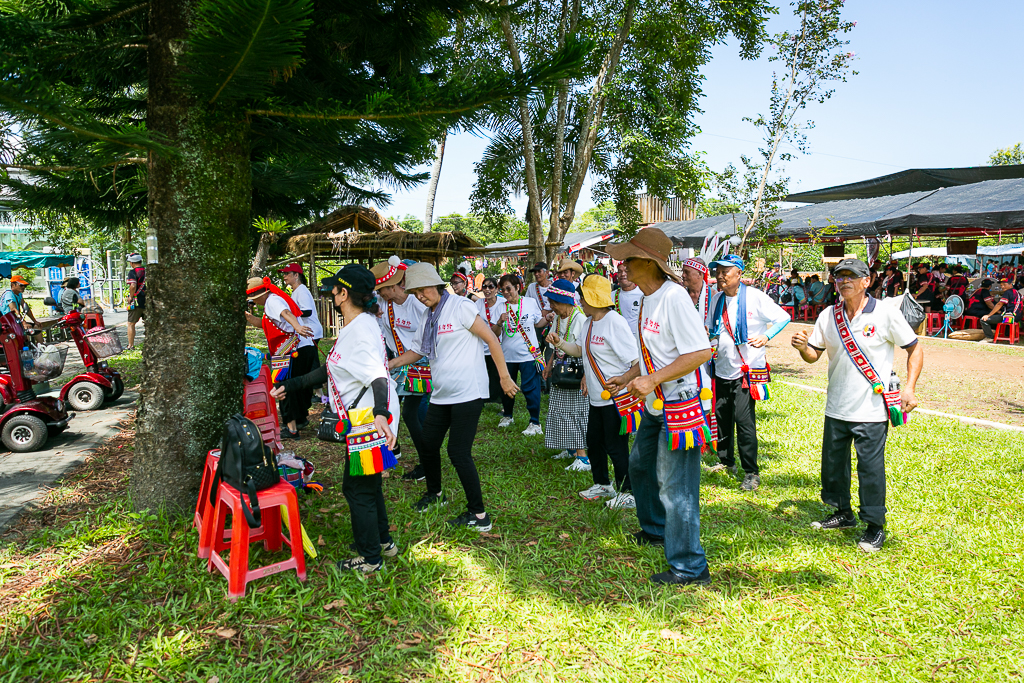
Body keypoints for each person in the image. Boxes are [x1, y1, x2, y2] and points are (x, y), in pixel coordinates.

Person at [271, 264, 399, 574]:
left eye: (334, 290)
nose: (331, 294)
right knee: (366, 485)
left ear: (343, 294)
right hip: (363, 417)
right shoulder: (357, 326)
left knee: (357, 489)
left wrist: (381, 413)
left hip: (370, 418)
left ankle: (370, 559)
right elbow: (327, 370)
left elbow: (379, 377)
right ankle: (382, 542)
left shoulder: (361, 331)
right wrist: (290, 385)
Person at [604, 227, 714, 586]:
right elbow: (654, 352)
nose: (622, 266)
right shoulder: (647, 298)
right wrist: (631, 374)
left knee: (676, 487)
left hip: (680, 403)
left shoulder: (674, 298)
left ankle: (690, 567)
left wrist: (652, 380)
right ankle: (655, 529)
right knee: (639, 465)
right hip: (656, 402)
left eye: (629, 259)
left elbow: (699, 352)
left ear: (649, 263)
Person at [791, 258, 923, 553]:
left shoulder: (886, 314)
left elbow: (914, 348)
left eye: (852, 276)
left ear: (868, 281)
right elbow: (815, 355)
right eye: (839, 277)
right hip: (836, 406)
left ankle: (875, 526)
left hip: (872, 410)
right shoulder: (828, 315)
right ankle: (842, 513)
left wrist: (910, 388)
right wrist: (803, 348)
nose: (844, 281)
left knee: (870, 469)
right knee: (833, 466)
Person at [390, 263, 519, 531]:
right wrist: (388, 365)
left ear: (436, 284)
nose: (421, 296)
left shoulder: (460, 306)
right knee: (427, 443)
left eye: (423, 289)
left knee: (458, 452)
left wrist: (504, 377)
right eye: (415, 292)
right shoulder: (427, 316)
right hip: (442, 393)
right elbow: (417, 351)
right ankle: (435, 494)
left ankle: (480, 515)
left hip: (468, 391)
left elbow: (492, 340)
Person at [705, 255, 791, 491]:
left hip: (747, 370)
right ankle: (725, 461)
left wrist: (766, 336)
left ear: (739, 274)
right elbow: (713, 328)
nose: (720, 276)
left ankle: (751, 472)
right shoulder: (717, 299)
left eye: (725, 271)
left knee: (743, 421)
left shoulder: (755, 297)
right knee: (721, 416)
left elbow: (783, 317)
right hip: (722, 368)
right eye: (717, 271)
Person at [576, 274, 639, 509]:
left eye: (583, 296)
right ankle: (603, 484)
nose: (580, 301)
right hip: (595, 397)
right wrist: (560, 344)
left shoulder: (614, 322)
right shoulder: (588, 322)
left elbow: (637, 361)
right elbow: (583, 351)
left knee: (616, 445)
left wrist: (623, 380)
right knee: (594, 440)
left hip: (615, 398)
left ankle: (628, 492)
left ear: (593, 298)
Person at [372, 256, 430, 482]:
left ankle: (426, 461)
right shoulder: (385, 304)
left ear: (395, 286)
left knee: (411, 413)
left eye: (383, 289)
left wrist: (396, 362)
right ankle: (393, 451)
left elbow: (426, 343)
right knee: (390, 408)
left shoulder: (417, 303)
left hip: (420, 364)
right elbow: (384, 331)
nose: (381, 293)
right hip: (398, 363)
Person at [245, 276, 314, 439]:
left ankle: (291, 429)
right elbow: (263, 324)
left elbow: (286, 313)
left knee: (282, 386)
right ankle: (298, 421)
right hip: (289, 349)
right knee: (292, 385)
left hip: (287, 350)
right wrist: (247, 317)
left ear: (260, 295)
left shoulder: (272, 301)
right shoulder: (271, 302)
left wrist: (297, 326)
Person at [541, 279, 590, 471]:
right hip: (561, 366)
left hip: (577, 369)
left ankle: (583, 457)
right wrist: (549, 364)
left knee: (576, 412)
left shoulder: (580, 318)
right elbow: (556, 344)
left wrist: (586, 375)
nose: (551, 306)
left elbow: (585, 350)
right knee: (560, 409)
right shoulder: (559, 318)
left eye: (554, 302)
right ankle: (570, 449)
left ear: (566, 301)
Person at [492, 274, 546, 435]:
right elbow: (494, 332)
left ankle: (535, 423)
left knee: (531, 388)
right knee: (507, 388)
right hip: (507, 355)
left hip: (529, 355)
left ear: (517, 287)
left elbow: (538, 323)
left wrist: (548, 319)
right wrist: (500, 322)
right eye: (502, 290)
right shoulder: (501, 307)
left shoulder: (529, 303)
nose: (506, 292)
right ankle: (508, 416)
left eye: (509, 288)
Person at [277, 263, 323, 431]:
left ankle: (318, 396)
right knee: (306, 372)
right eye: (284, 274)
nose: (284, 276)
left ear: (296, 275)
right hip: (304, 334)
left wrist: (287, 313)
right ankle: (306, 408)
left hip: (310, 334)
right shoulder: (296, 291)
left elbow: (307, 311)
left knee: (309, 372)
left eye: (287, 274)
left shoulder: (302, 290)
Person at [475, 277, 505, 404]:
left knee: (496, 372)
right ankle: (482, 396)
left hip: (498, 344)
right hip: (481, 345)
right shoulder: (478, 304)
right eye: (484, 287)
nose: (487, 290)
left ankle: (496, 396)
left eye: (491, 287)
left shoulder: (503, 303)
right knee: (481, 372)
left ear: (497, 289)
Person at [613, 261, 643, 337]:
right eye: (620, 271)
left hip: (639, 343)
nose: (623, 274)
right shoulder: (612, 296)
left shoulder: (643, 294)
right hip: (619, 341)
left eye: (626, 271)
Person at [125, 253, 146, 349]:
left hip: (137, 301)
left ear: (132, 263)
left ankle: (130, 345)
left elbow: (133, 285)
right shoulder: (147, 271)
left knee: (131, 323)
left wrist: (131, 297)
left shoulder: (133, 272)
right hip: (148, 300)